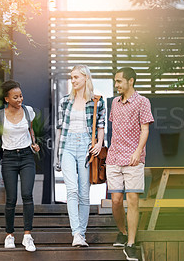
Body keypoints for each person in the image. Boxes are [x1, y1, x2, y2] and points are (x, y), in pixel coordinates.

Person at [107, 67, 154, 261]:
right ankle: (123, 232)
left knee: (133, 201)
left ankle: (131, 244)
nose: (116, 85)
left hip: (133, 159)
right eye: (115, 81)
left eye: (119, 81)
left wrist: (137, 152)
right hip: (114, 158)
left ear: (131, 81)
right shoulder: (114, 103)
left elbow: (145, 130)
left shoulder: (143, 102)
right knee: (116, 201)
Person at [56, 65, 106, 247]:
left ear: (86, 78)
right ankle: (76, 233)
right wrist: (57, 156)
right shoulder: (64, 101)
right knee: (72, 191)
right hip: (68, 146)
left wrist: (99, 144)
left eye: (76, 77)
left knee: (84, 194)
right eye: (72, 77)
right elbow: (60, 131)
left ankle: (81, 234)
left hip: (87, 148)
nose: (73, 80)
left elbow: (101, 126)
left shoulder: (98, 101)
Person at [0, 80, 40, 252]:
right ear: (6, 99)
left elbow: (31, 131)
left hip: (26, 157)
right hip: (9, 159)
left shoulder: (28, 111)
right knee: (11, 199)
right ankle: (9, 234)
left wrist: (34, 143)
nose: (20, 100)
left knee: (27, 195)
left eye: (21, 96)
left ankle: (27, 235)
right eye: (15, 97)